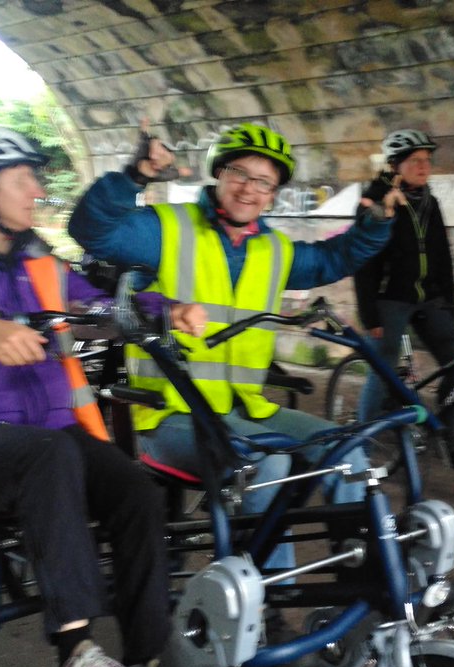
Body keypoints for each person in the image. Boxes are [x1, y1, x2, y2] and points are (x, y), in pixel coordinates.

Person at [0, 123, 205, 667]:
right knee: (50, 457)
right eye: (23, 179)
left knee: (138, 491)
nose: (37, 191)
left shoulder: (40, 262)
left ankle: (148, 654)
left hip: (51, 441)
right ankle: (76, 649)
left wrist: (161, 310)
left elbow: (93, 306)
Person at [68, 121, 398, 594]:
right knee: (269, 461)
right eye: (239, 174)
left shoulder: (274, 250)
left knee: (347, 451)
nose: (249, 189)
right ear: (218, 175)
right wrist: (135, 175)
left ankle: (362, 584)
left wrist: (377, 223)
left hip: (243, 407)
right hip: (168, 415)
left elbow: (334, 259)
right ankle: (266, 596)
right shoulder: (168, 229)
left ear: (274, 193)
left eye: (263, 182)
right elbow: (92, 230)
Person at [352, 129, 454, 470]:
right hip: (390, 298)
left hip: (429, 296)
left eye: (427, 160)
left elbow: (442, 254)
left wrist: (448, 301)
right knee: (382, 367)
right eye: (415, 161)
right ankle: (359, 446)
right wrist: (369, 316)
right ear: (395, 165)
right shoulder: (376, 199)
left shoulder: (430, 201)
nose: (424, 167)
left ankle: (445, 432)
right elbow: (364, 260)